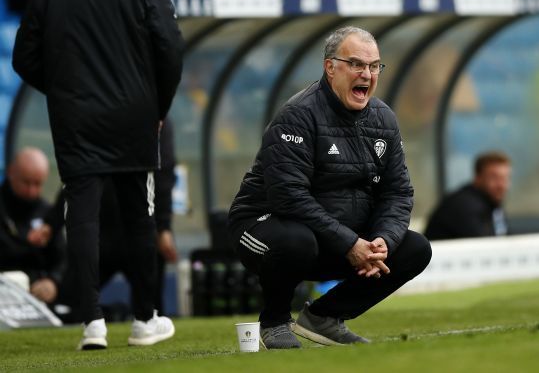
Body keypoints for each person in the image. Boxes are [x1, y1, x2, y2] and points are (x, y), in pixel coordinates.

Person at [12, 0, 184, 349]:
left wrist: (67, 93)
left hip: (76, 119)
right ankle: (145, 320)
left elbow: (22, 58)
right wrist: (157, 106)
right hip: (135, 116)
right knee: (138, 217)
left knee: (82, 219)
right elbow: (170, 50)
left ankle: (92, 323)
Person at [228, 26, 431, 349]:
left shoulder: (384, 120)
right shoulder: (298, 115)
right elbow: (288, 197)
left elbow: (397, 192)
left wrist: (382, 239)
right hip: (263, 228)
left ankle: (323, 317)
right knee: (297, 240)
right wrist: (350, 243)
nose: (366, 73)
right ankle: (275, 321)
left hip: (336, 241)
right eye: (356, 64)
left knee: (414, 249)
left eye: (374, 65)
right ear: (330, 67)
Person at [28, 119, 180, 320]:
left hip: (118, 232)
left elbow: (163, 175)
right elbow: (78, 178)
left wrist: (164, 227)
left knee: (149, 306)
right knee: (71, 303)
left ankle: (100, 325)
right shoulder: (149, 109)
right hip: (113, 232)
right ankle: (117, 325)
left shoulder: (101, 109)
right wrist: (52, 222)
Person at [0, 148, 65, 305]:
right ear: (11, 173)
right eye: (26, 182)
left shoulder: (47, 213)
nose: (31, 191)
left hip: (35, 293)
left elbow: (62, 258)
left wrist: (53, 281)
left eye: (37, 184)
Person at [424, 152, 510, 240]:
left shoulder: (492, 203)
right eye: (494, 178)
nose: (501, 185)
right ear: (478, 178)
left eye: (505, 178)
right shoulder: (463, 205)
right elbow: (485, 246)